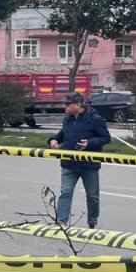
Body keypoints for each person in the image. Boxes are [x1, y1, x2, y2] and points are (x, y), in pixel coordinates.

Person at [49, 93, 111, 227]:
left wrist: (89, 143)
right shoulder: (68, 119)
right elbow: (62, 134)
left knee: (92, 196)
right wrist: (53, 140)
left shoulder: (95, 119)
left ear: (78, 105)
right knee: (65, 193)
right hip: (68, 163)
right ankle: (61, 223)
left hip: (89, 165)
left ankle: (92, 223)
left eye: (67, 104)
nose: (65, 107)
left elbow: (106, 138)